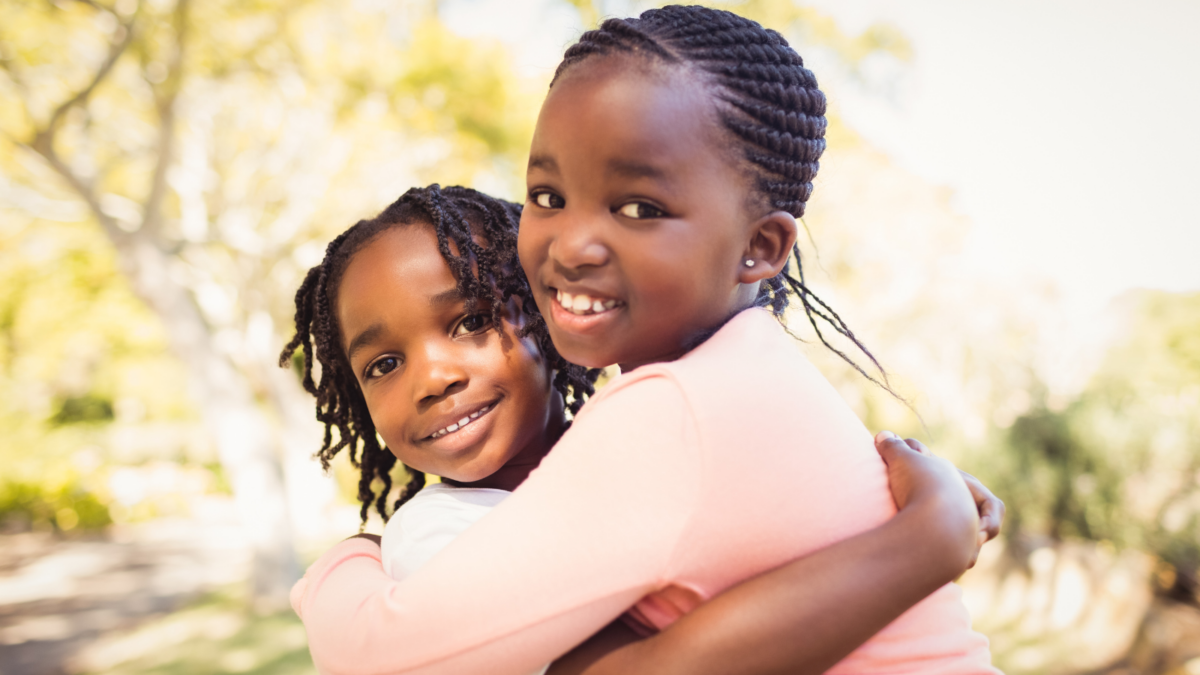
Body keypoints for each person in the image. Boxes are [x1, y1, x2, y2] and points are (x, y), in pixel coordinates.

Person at [288, 7, 1004, 674]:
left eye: (638, 207)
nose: (573, 245)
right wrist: (930, 535)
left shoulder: (671, 411)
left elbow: (380, 658)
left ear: (760, 246)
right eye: (548, 197)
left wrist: (343, 564)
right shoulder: (739, 371)